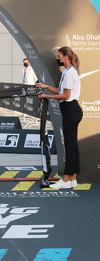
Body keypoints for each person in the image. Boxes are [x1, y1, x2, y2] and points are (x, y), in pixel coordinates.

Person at [36, 46, 82, 189]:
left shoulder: (69, 73)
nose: (58, 59)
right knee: (72, 145)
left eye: (59, 56)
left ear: (66, 57)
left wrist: (47, 96)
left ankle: (66, 179)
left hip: (70, 110)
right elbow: (61, 90)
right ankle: (73, 178)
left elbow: (65, 96)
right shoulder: (68, 71)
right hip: (72, 110)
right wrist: (46, 87)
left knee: (69, 146)